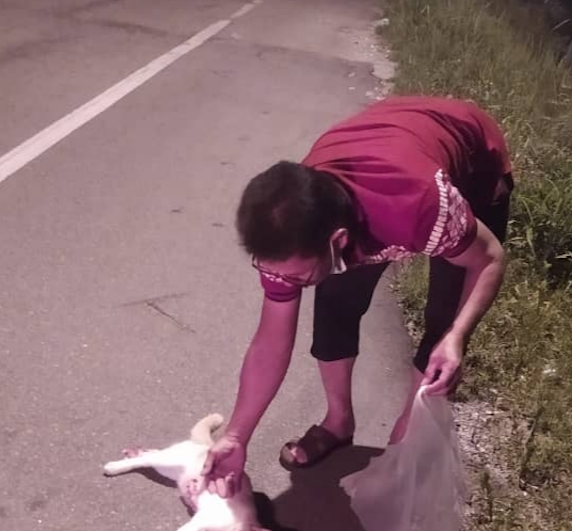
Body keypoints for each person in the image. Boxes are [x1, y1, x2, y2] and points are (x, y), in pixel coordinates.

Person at [202, 95, 512, 498]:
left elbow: (488, 259)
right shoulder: (293, 226)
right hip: (385, 141)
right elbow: (270, 340)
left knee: (442, 325)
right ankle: (338, 422)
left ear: (339, 241)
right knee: (333, 305)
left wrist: (457, 337)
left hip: (471, 164)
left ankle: (403, 443)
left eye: (294, 274)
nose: (284, 282)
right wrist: (237, 435)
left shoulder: (421, 206)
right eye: (272, 270)